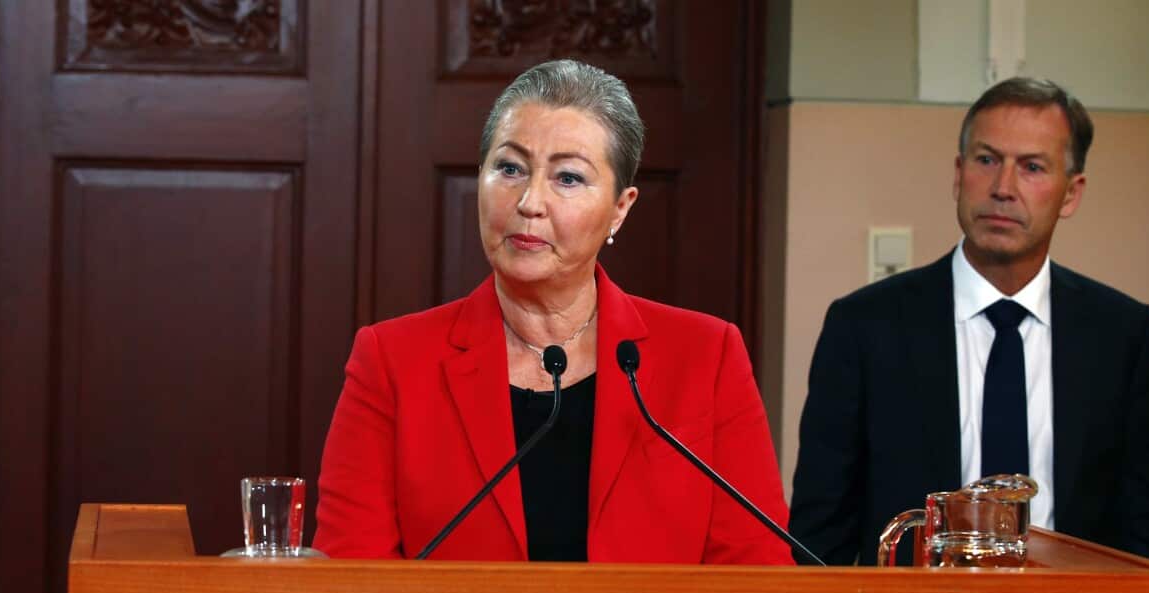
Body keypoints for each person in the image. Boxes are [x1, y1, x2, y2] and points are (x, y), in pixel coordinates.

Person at [314, 59, 793, 564]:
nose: (529, 202)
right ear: (479, 178)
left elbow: (755, 574)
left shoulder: (705, 356)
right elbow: (352, 578)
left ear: (620, 207)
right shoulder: (391, 361)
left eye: (568, 177)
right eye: (509, 168)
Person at [788, 77, 1149, 566]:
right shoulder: (865, 327)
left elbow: (1146, 536)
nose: (1003, 188)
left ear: (1071, 194)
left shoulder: (1121, 335)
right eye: (987, 160)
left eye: (1032, 167)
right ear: (958, 174)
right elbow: (816, 539)